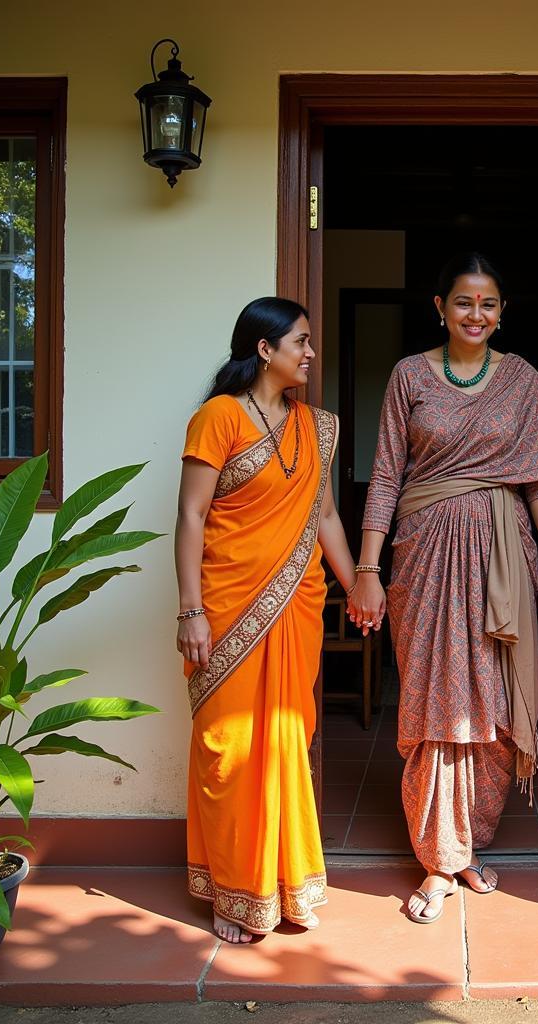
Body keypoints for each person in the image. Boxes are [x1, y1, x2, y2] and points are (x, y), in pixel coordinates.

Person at [350, 253, 538, 924]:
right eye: (463, 303)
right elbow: (386, 475)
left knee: (493, 700)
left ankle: (468, 842)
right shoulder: (409, 376)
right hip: (423, 557)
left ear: (501, 311)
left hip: (504, 558)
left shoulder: (524, 379)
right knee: (434, 698)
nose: (475, 314)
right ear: (439, 308)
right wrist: (368, 570)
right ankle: (438, 859)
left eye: (488, 304)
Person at [175, 297, 358, 943]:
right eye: (301, 341)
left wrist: (360, 581)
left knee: (284, 743)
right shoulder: (218, 418)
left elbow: (325, 515)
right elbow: (192, 517)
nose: (310, 352)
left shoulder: (317, 426)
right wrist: (192, 610)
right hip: (225, 607)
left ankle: (285, 886)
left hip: (294, 605)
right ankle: (234, 892)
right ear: (264, 349)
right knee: (228, 750)